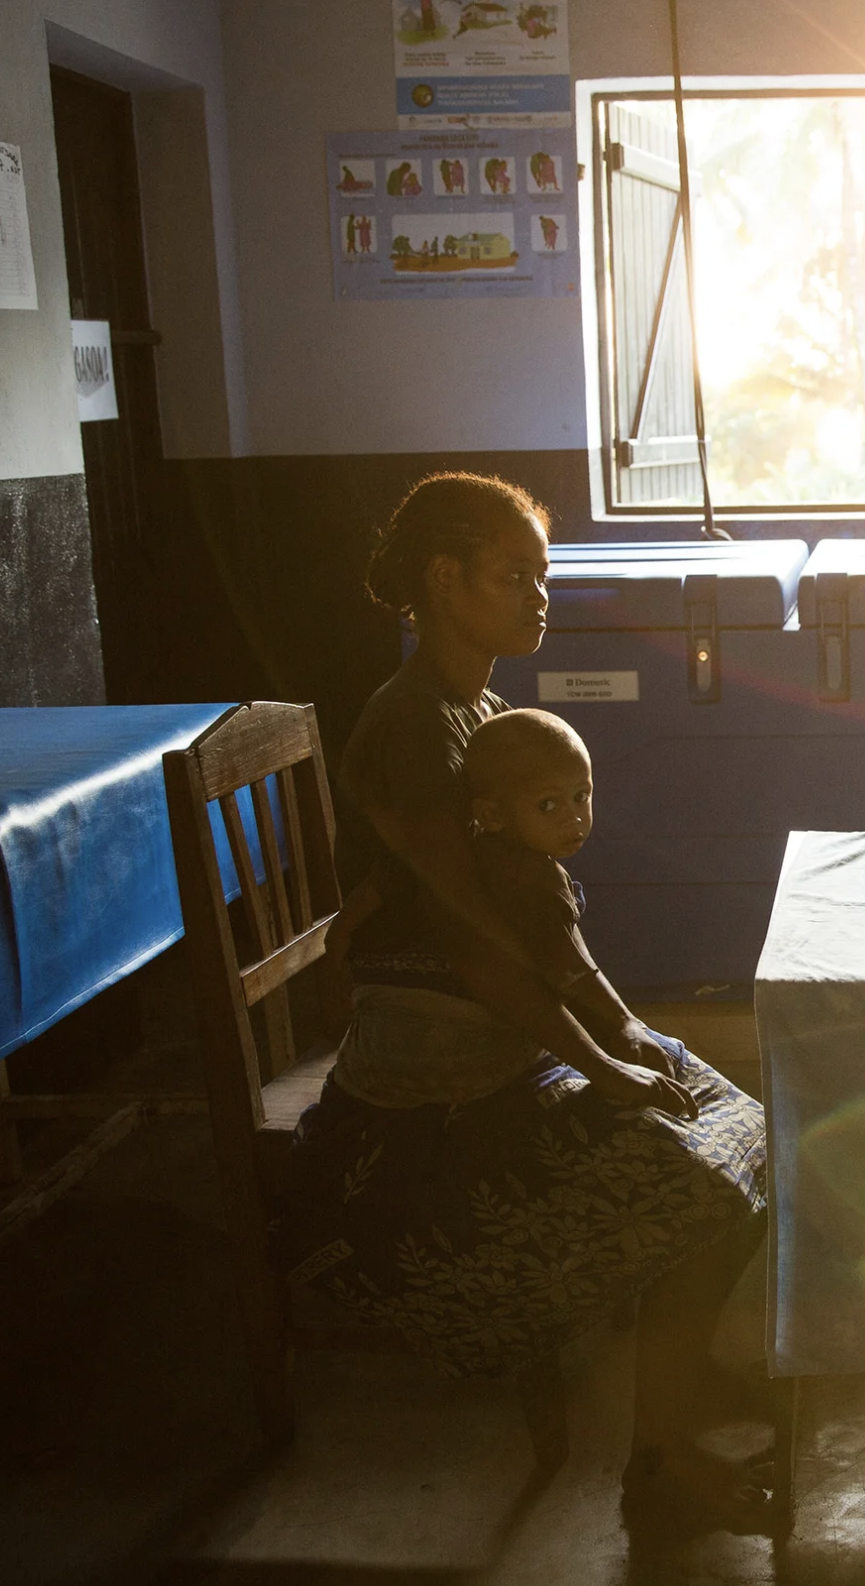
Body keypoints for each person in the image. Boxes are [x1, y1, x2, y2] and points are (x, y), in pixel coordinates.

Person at [274, 471, 774, 1531]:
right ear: (443, 580)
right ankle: (661, 1462)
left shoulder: (481, 716)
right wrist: (605, 1064)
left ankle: (674, 1390)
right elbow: (486, 952)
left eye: (541, 577)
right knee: (705, 1186)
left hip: (504, 1049)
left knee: (746, 1125)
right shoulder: (414, 729)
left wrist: (624, 1029)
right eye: (516, 576)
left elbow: (539, 932)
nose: (540, 597)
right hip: (429, 1100)